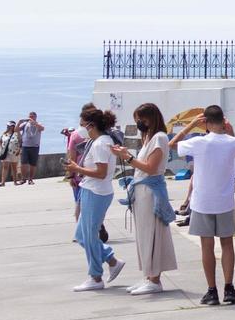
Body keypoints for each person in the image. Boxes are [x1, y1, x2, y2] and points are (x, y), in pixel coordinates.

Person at [171, 105, 235, 306]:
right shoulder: (233, 143)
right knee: (227, 244)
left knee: (207, 246)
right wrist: (230, 132)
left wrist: (191, 125)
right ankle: (229, 288)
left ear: (205, 122)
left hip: (202, 202)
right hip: (224, 201)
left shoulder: (197, 142)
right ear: (224, 120)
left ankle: (211, 290)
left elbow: (172, 144)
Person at [111, 103, 178, 294]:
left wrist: (127, 157)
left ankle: (154, 279)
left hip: (150, 192)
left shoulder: (159, 138)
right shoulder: (150, 138)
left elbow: (150, 167)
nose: (138, 123)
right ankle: (148, 276)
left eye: (140, 119)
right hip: (141, 191)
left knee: (152, 233)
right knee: (143, 235)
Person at [61, 107, 127, 291]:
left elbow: (101, 172)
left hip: (96, 191)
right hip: (92, 189)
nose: (80, 128)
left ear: (91, 125)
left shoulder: (99, 144)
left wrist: (77, 169)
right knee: (82, 235)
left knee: (89, 235)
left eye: (82, 125)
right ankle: (112, 261)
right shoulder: (101, 141)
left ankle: (96, 277)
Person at [18, 112, 44, 183]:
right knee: (23, 163)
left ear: (36, 117)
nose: (31, 118)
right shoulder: (25, 124)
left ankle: (30, 179)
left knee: (33, 164)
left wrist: (34, 122)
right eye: (30, 116)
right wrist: (19, 122)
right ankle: (23, 179)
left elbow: (42, 128)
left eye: (33, 116)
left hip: (35, 146)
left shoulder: (39, 124)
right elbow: (16, 130)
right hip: (25, 146)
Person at [0, 121, 20, 187]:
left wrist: (19, 150)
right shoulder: (4, 134)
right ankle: (3, 182)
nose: (8, 127)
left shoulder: (17, 134)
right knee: (5, 167)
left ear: (13, 126)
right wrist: (1, 149)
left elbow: (21, 142)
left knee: (14, 167)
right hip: (6, 153)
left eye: (10, 126)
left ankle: (15, 182)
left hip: (14, 152)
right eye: (8, 126)